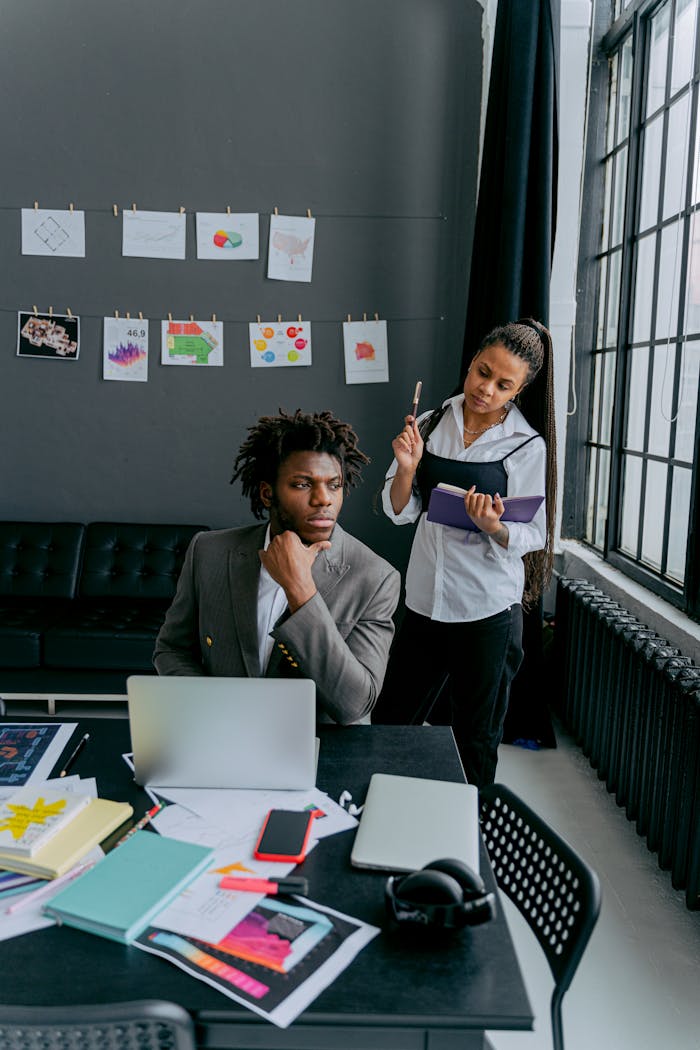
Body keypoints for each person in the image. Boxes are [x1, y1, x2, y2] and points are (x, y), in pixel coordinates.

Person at [373, 319, 556, 786]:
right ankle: (378, 812)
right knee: (392, 720)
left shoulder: (525, 445)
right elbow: (398, 510)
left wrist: (494, 526)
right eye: (482, 372)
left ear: (519, 391)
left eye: (503, 385)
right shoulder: (432, 421)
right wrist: (408, 469)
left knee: (473, 738)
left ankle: (466, 838)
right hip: (425, 599)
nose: (486, 389)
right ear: (472, 363)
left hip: (487, 606)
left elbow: (535, 531)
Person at [153, 408, 400, 725]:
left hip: (321, 753)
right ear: (268, 493)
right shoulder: (209, 551)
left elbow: (354, 707)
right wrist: (210, 709)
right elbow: (171, 649)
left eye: (334, 485)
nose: (323, 499)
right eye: (302, 484)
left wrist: (301, 591)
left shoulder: (375, 578)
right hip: (220, 737)